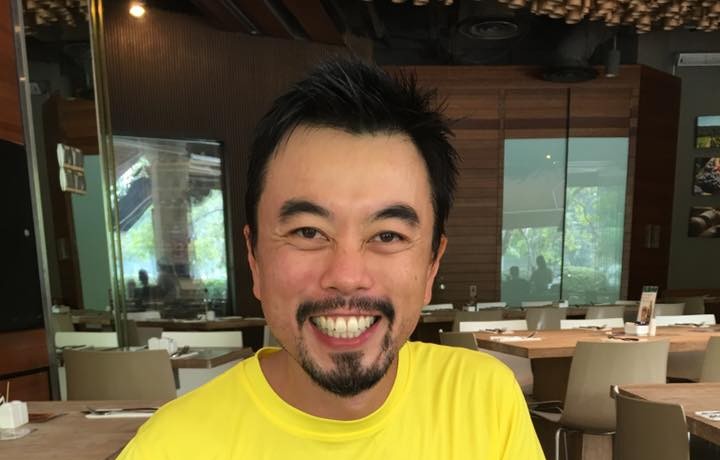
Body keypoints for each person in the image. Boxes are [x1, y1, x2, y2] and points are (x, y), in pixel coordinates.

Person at [118, 57, 544, 459]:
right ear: (254, 258)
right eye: (308, 232)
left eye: (388, 235)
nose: (347, 275)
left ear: (432, 265)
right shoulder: (169, 447)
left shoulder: (484, 400)